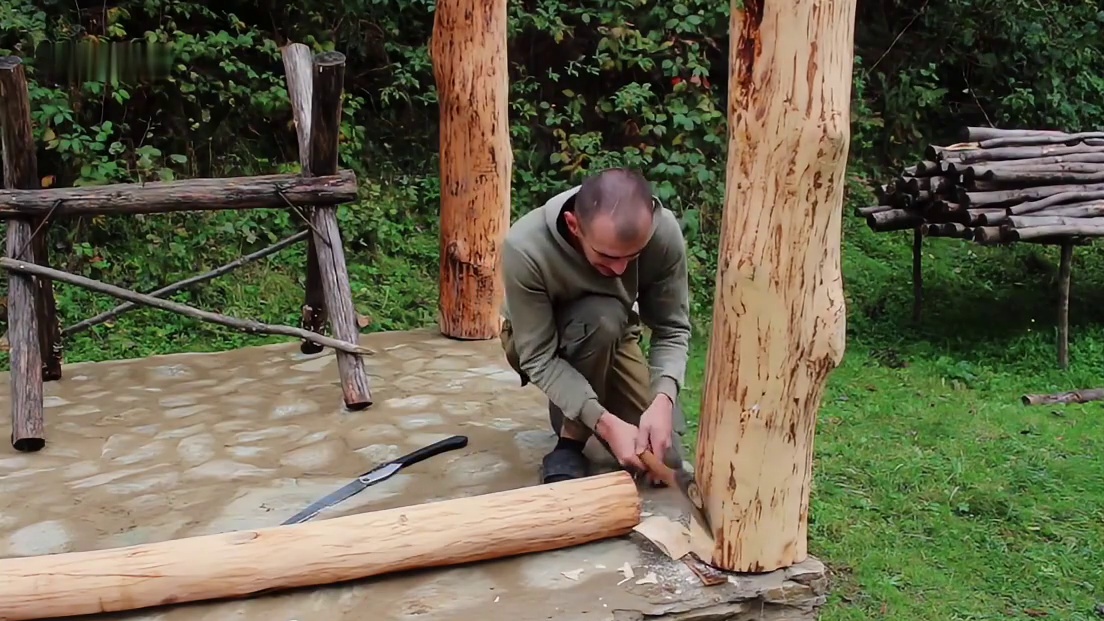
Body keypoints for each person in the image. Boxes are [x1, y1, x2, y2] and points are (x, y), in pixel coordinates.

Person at [499, 167, 692, 484]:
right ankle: (570, 440)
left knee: (663, 455)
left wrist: (663, 400)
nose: (620, 269)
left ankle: (589, 409)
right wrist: (603, 422)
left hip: (614, 330)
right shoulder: (525, 246)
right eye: (607, 256)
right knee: (600, 315)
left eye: (633, 256)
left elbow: (671, 328)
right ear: (574, 226)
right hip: (537, 339)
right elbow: (537, 357)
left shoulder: (663, 232)